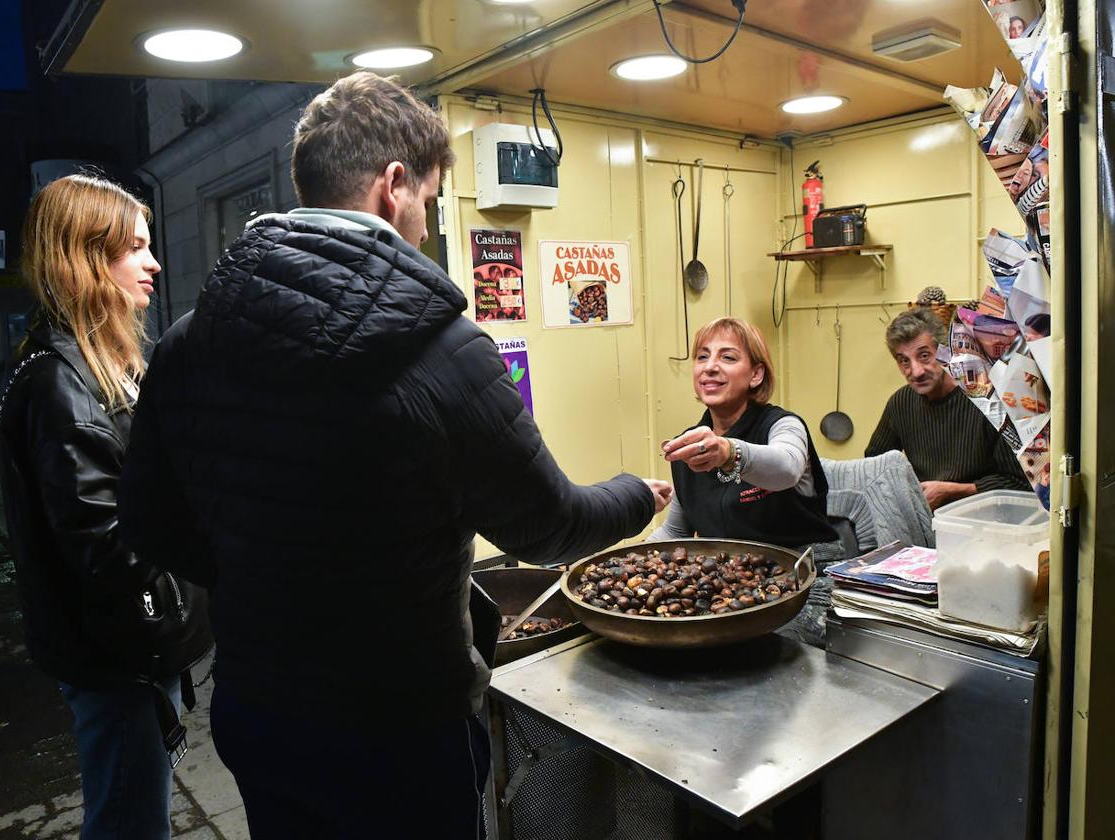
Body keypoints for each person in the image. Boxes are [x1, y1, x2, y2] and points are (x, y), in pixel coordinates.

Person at [117, 71, 670, 840]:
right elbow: (549, 528)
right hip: (400, 727)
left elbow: (150, 520)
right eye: (431, 202)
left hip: (259, 711)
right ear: (394, 185)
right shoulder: (440, 351)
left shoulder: (189, 341)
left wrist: (261, 569)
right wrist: (640, 494)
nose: (423, 225)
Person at [0, 174, 212, 840]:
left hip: (127, 654)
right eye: (135, 249)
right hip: (120, 660)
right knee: (127, 822)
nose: (153, 263)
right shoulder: (63, 383)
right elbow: (108, 548)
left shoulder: (96, 365)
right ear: (88, 257)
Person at [650, 317, 836, 549]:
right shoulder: (691, 443)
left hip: (805, 572)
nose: (709, 367)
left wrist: (728, 453)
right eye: (702, 357)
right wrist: (624, 559)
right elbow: (675, 531)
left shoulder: (783, 425)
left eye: (727, 357)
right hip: (727, 577)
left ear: (756, 374)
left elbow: (787, 469)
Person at [866, 308, 1027, 509]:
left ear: (945, 352)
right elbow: (873, 468)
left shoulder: (987, 399)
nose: (915, 372)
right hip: (930, 523)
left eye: (924, 356)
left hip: (988, 522)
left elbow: (1020, 482)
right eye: (904, 361)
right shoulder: (900, 403)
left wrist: (954, 491)